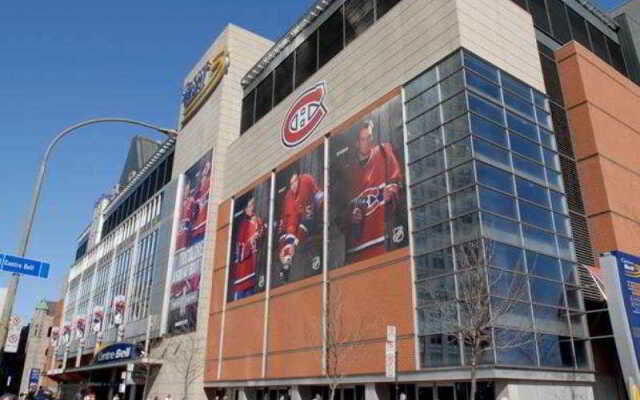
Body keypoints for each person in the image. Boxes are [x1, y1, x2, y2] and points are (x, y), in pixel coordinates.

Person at [346, 120, 403, 262]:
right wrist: (350, 216)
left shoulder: (384, 152)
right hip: (357, 250)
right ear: (357, 143)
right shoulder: (348, 172)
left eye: (370, 137)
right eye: (363, 139)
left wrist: (391, 191)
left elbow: (397, 182)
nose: (368, 142)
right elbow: (339, 213)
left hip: (383, 241)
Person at [276, 171, 323, 280]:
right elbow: (291, 223)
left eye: (295, 182)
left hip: (314, 208)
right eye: (291, 184)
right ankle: (287, 266)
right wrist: (288, 246)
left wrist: (295, 242)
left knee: (321, 200)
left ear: (299, 178)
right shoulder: (289, 196)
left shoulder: (305, 182)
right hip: (302, 216)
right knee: (291, 234)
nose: (293, 186)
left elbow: (308, 217)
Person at [231, 197, 266, 299]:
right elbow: (239, 253)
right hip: (242, 276)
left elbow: (263, 235)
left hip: (254, 273)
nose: (252, 208)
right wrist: (250, 242)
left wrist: (259, 231)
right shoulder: (243, 226)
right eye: (249, 206)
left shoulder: (258, 222)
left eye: (253, 205)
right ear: (245, 209)